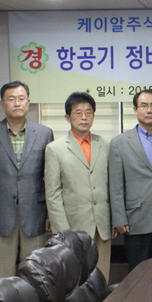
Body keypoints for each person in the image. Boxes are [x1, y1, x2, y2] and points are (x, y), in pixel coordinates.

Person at [0, 81, 54, 278]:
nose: (17, 103)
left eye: (21, 98)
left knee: (35, 273)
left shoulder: (44, 133)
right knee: (3, 275)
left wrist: (50, 213)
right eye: (11, 99)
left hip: (35, 214)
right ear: (2, 104)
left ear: (28, 102)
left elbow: (50, 178)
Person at [44, 92, 114, 281]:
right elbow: (53, 194)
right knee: (76, 281)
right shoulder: (55, 149)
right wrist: (63, 231)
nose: (84, 117)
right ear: (67, 117)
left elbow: (112, 186)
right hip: (74, 226)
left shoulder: (106, 145)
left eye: (89, 112)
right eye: (78, 113)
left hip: (102, 226)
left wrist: (113, 220)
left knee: (102, 278)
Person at [109, 89, 152, 271]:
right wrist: (119, 218)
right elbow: (116, 185)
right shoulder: (119, 143)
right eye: (144, 106)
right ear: (135, 109)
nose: (149, 110)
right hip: (136, 219)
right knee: (139, 273)